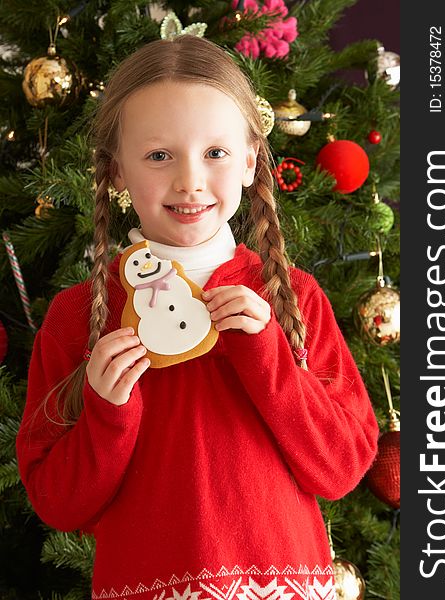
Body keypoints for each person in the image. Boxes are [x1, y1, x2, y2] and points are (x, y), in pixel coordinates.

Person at [16, 35, 379, 600]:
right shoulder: (78, 317)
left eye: (214, 152)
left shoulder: (292, 297)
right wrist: (106, 412)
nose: (189, 180)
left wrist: (270, 362)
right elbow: (58, 503)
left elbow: (342, 467)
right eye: (159, 155)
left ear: (250, 160)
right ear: (116, 173)